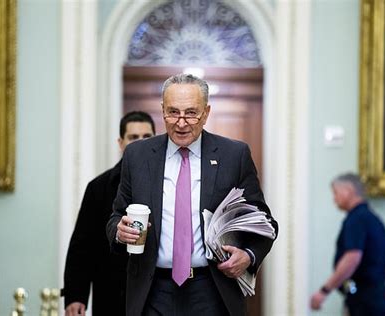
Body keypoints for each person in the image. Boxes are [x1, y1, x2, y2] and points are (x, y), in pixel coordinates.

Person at [107, 73, 278, 316]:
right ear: (162, 110)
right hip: (152, 290)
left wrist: (249, 256)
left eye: (191, 113)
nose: (181, 122)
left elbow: (265, 223)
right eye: (173, 112)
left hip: (211, 290)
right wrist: (119, 232)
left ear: (206, 113)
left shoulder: (234, 155)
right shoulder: (137, 156)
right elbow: (115, 216)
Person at [63, 111, 156, 316]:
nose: (140, 142)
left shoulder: (167, 183)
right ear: (121, 143)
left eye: (147, 137)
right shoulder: (99, 187)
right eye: (133, 137)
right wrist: (75, 295)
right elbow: (82, 244)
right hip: (111, 290)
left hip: (155, 292)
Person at [310, 173, 385, 316]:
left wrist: (324, 291)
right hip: (379, 297)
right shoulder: (375, 219)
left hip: (363, 301)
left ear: (348, 190)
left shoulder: (356, 219)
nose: (334, 199)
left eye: (335, 193)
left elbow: (352, 258)